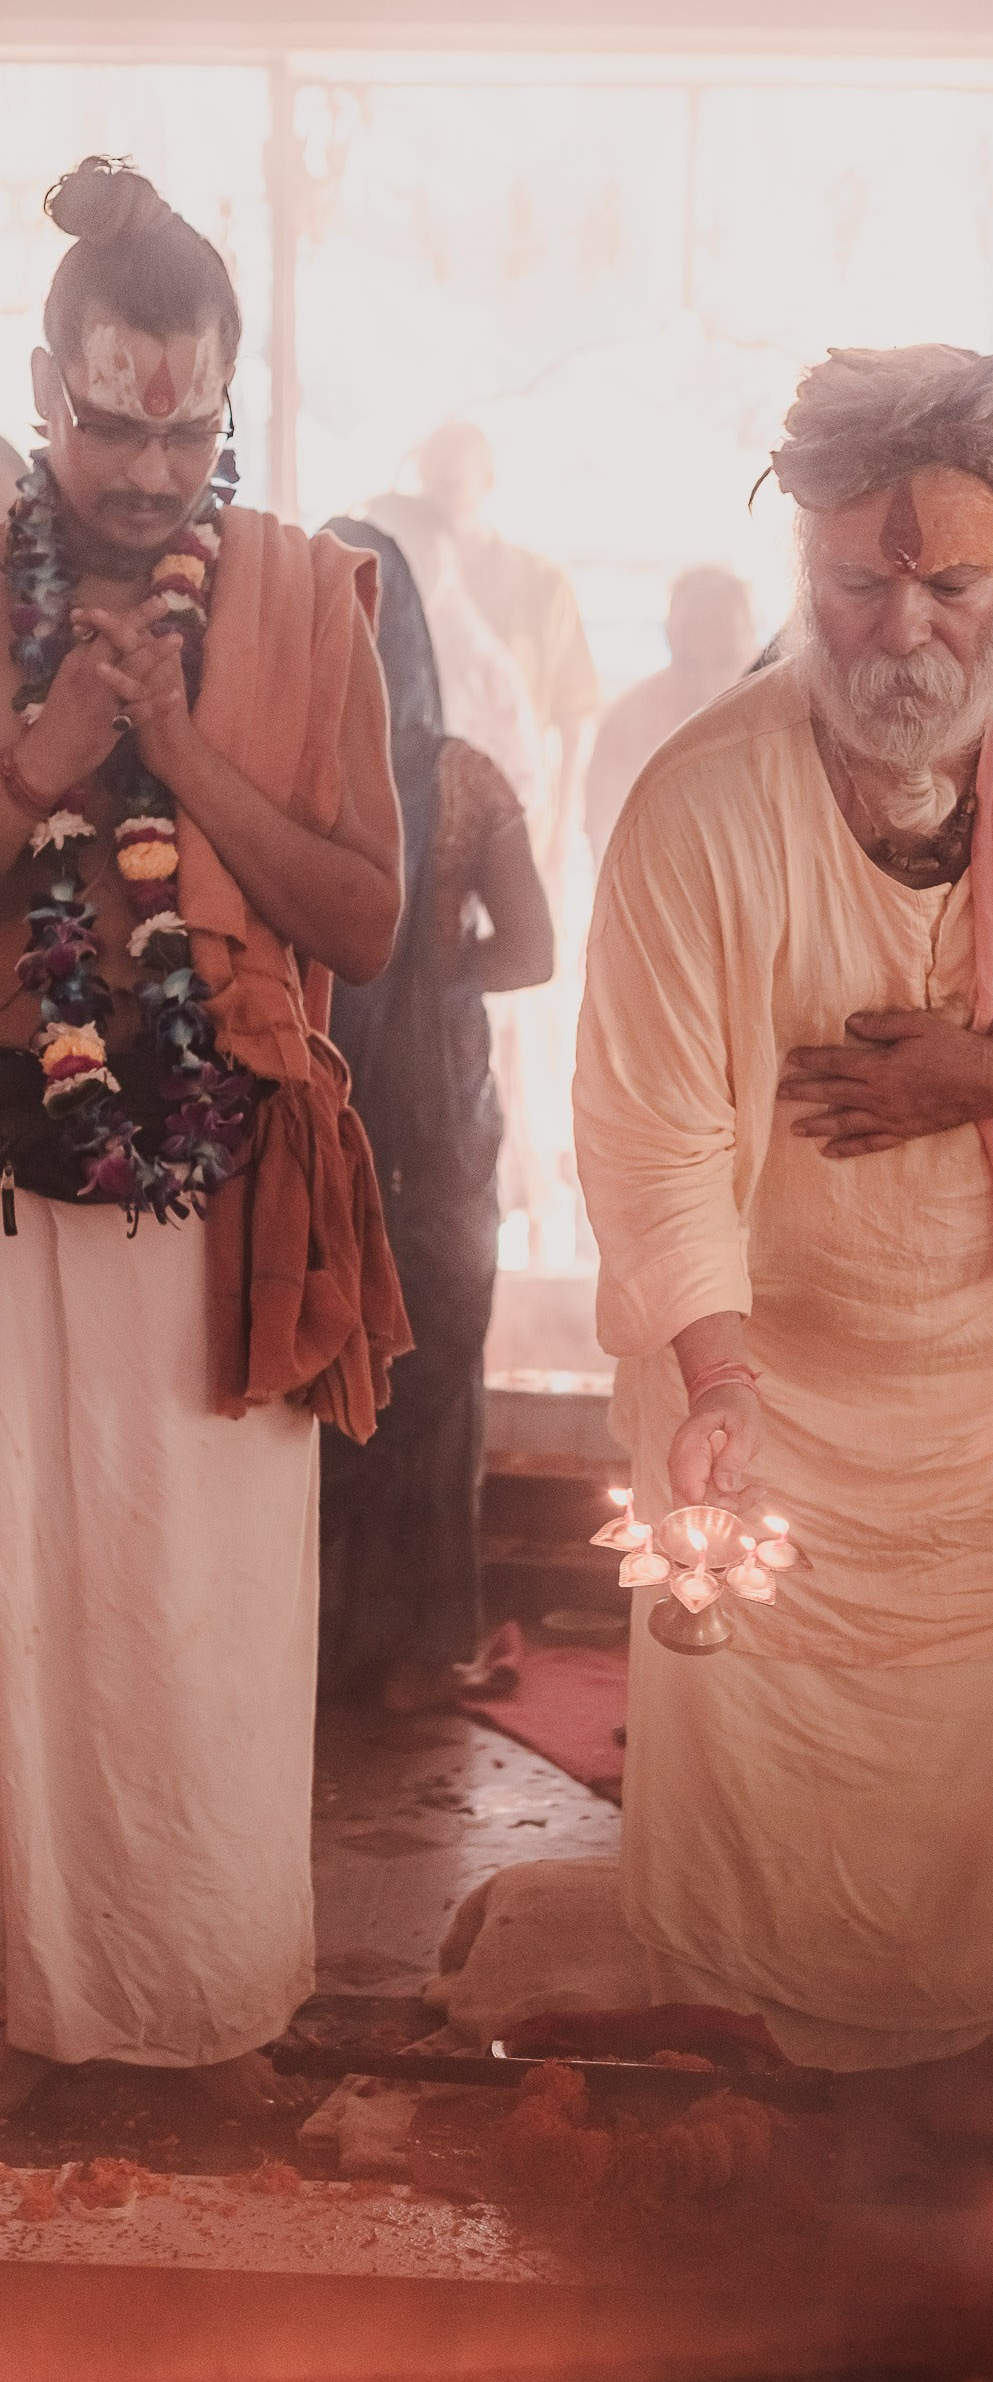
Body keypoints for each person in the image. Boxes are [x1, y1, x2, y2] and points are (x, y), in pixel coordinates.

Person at [575, 343, 993, 2102]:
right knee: (763, 1739)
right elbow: (653, 1129)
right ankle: (746, 2041)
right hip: (771, 1379)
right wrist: (717, 1378)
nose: (903, 631)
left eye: (952, 585)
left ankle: (970, 2033)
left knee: (978, 1730)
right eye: (855, 585)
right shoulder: (701, 802)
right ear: (802, 566)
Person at [0, 160, 404, 2124]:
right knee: (15, 1612)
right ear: (44, 387)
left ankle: (200, 2000)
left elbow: (367, 921)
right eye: (111, 424)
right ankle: (24, 2007)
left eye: (189, 429)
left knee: (196, 1622)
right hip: (12, 1188)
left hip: (220, 1180)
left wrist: (181, 761)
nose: (150, 472)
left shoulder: (308, 597)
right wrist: (43, 767)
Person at [317, 517, 555, 1717]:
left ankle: (309, 1647)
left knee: (333, 1344)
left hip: (330, 1100)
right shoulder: (461, 777)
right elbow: (527, 952)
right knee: (428, 1360)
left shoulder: (285, 766)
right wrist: (434, 981)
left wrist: (382, 987)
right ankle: (411, 1652)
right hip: (435, 1117)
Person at [400, 421, 599, 882]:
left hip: (517, 811)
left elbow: (577, 719)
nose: (438, 499)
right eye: (429, 484)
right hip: (422, 816)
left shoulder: (542, 585)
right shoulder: (404, 583)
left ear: (487, 482)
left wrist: (564, 831)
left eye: (453, 484)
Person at [583, 563, 758, 864]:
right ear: (668, 638)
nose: (708, 686)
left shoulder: (792, 719)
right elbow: (605, 849)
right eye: (690, 664)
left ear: (753, 643)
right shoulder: (625, 725)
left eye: (726, 661)